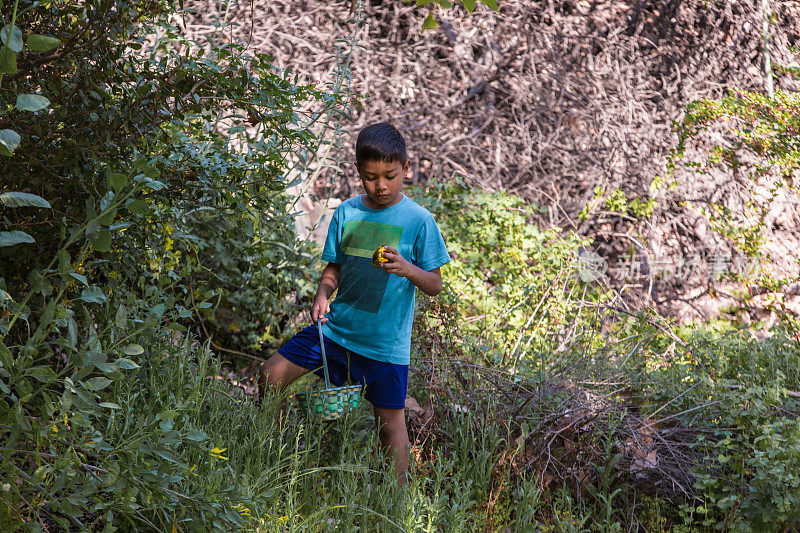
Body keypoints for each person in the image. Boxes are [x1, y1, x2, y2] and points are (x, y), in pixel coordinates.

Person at [258, 121, 450, 485]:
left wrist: (407, 268)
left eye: (390, 176)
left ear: (406, 168)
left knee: (390, 424)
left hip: (384, 346)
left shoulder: (420, 221)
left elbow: (435, 284)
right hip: (336, 332)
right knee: (270, 375)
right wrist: (321, 294)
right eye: (370, 177)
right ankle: (275, 456)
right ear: (358, 173)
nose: (380, 186)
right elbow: (334, 268)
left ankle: (397, 500)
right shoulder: (347, 212)